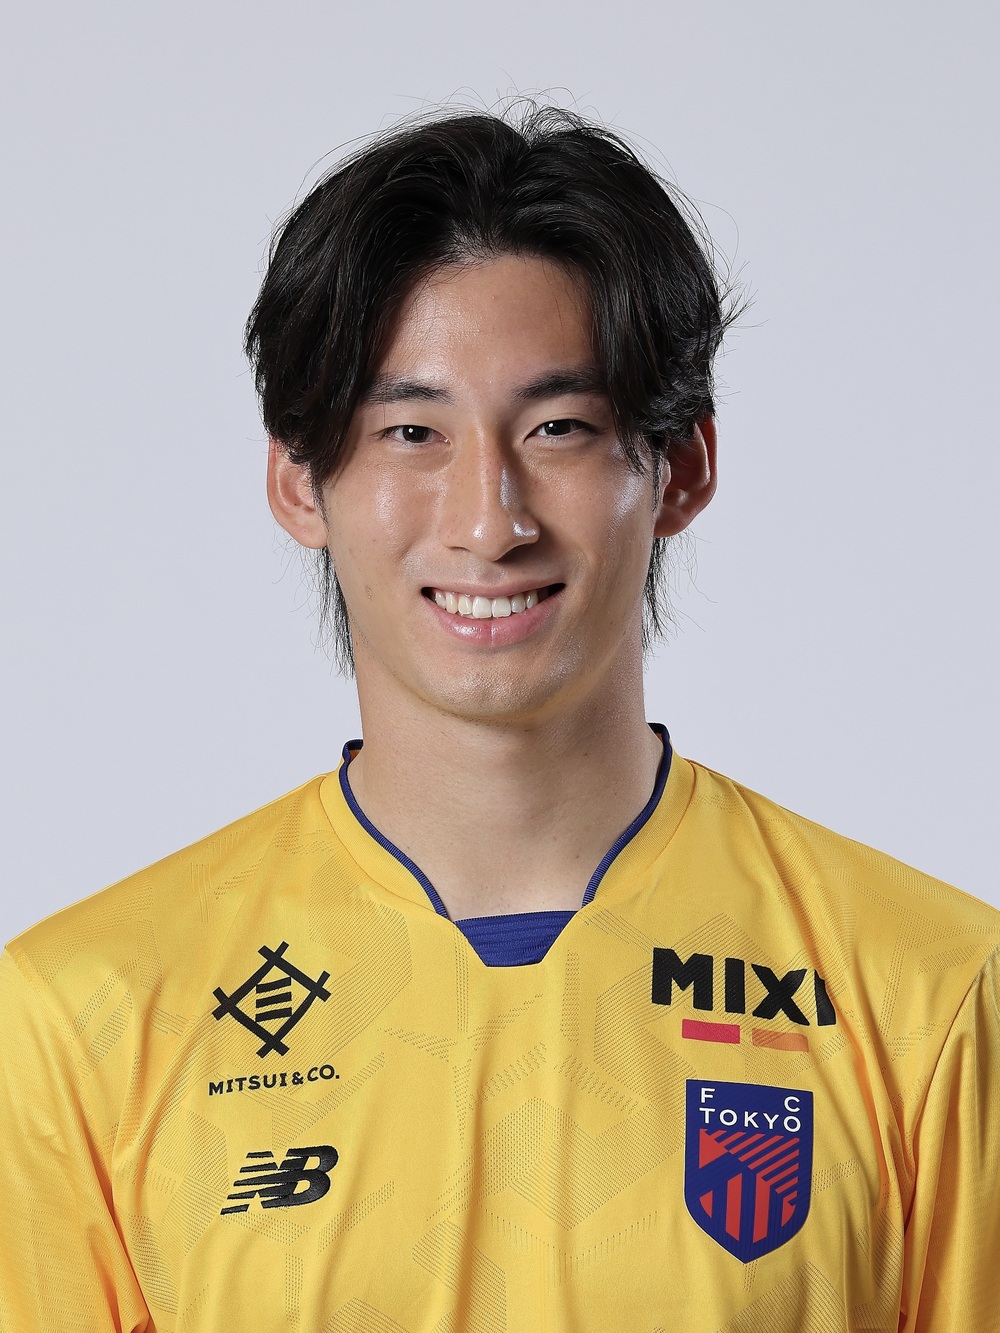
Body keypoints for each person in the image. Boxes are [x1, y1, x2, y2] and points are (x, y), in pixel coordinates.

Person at [1, 105, 998, 1333]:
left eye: (557, 429)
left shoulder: (925, 990)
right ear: (297, 482)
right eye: (409, 431)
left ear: (680, 468)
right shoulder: (90, 1013)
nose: (489, 519)